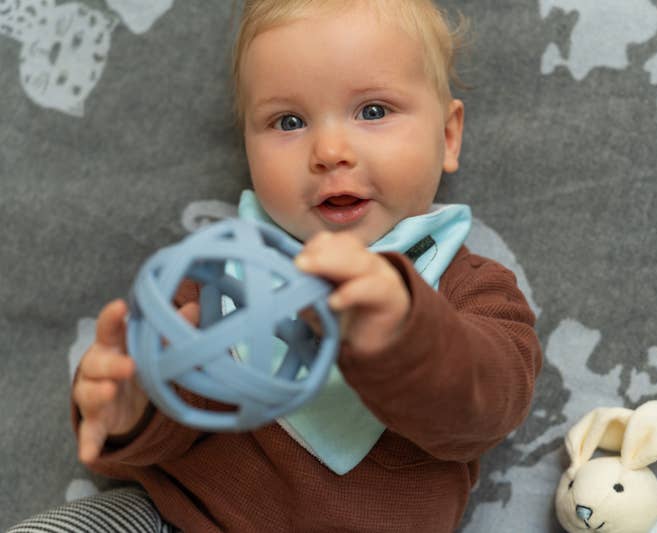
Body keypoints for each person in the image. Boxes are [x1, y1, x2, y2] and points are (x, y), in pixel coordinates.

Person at [10, 0, 542, 531]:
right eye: (288, 121)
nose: (330, 150)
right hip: (182, 517)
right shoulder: (220, 276)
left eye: (373, 111)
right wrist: (130, 409)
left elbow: (488, 409)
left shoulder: (475, 291)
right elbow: (159, 425)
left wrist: (404, 332)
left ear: (447, 136)